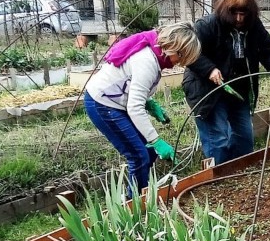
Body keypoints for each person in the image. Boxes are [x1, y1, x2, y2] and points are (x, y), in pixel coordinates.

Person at [84, 22, 201, 191]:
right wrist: (156, 140)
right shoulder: (147, 61)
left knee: (149, 153)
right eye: (182, 58)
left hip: (114, 101)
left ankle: (142, 192)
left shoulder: (154, 52)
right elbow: (134, 108)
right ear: (174, 48)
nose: (181, 64)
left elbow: (127, 81)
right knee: (139, 156)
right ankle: (136, 207)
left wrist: (150, 103)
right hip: (102, 104)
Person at [183, 0, 270, 164]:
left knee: (244, 139)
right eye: (235, 14)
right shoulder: (208, 25)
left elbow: (269, 49)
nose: (239, 19)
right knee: (218, 139)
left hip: (238, 89)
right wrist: (210, 69)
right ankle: (218, 177)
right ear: (227, 11)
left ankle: (239, 173)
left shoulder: (253, 26)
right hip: (209, 90)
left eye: (243, 14)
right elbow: (189, 52)